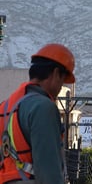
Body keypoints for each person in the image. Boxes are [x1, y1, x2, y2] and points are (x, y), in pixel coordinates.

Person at [0, 43, 76, 184]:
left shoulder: (6, 107)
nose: (61, 88)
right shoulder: (43, 107)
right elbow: (49, 172)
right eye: (62, 81)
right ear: (55, 73)